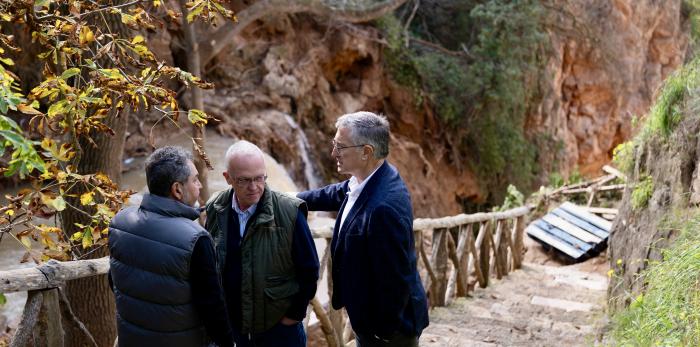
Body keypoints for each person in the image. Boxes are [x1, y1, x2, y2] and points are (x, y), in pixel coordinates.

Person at [297, 111, 429, 346]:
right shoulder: (370, 177)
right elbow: (337, 193)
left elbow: (395, 280)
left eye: (340, 146)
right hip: (369, 320)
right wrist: (293, 199)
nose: (333, 153)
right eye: (334, 144)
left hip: (389, 330)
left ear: (366, 152)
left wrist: (383, 332)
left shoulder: (384, 208)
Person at [109, 146, 234, 347]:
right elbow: (212, 307)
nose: (200, 185)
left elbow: (115, 281)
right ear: (177, 189)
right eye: (194, 180)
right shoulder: (195, 239)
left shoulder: (120, 222)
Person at [205, 140, 319, 347]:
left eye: (260, 178)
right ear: (227, 178)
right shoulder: (215, 206)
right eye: (244, 180)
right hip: (232, 327)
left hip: (278, 330)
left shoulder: (290, 212)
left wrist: (294, 315)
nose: (254, 187)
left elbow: (310, 269)